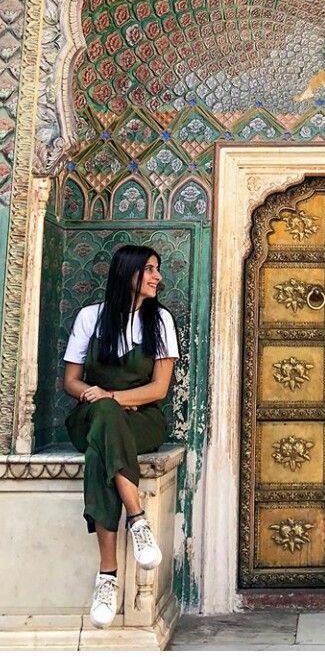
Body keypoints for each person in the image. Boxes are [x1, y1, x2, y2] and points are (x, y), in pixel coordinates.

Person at [63, 244, 179, 628]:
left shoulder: (160, 321)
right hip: (91, 414)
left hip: (142, 419)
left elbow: (159, 390)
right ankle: (137, 518)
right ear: (126, 273)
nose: (156, 276)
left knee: (102, 446)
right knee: (103, 421)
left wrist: (111, 397)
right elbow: (70, 381)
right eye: (148, 269)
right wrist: (95, 397)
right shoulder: (90, 318)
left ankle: (107, 574)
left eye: (157, 269)